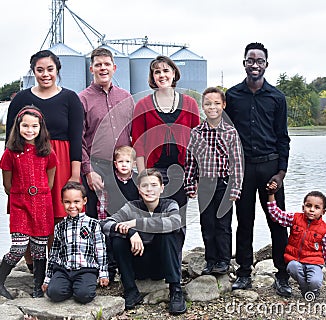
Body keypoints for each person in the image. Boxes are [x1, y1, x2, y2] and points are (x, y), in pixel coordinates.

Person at [5, 50, 84, 268]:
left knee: (59, 212)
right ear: (33, 72)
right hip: (27, 162)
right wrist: (10, 175)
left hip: (61, 159)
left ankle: (58, 263)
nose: (45, 74)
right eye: (40, 70)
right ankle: (34, 266)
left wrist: (75, 173)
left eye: (50, 69)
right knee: (29, 210)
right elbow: (9, 140)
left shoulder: (70, 98)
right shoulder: (21, 98)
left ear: (57, 70)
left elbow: (77, 138)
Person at [225, 42, 292, 296]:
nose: (255, 65)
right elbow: (226, 133)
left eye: (259, 61)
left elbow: (283, 138)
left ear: (266, 64)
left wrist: (281, 173)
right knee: (244, 221)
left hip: (270, 167)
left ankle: (282, 274)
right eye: (250, 60)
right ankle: (243, 272)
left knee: (277, 221)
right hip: (242, 169)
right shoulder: (232, 96)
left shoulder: (277, 97)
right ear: (244, 63)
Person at [132, 55, 200, 240]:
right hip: (154, 171)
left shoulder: (190, 104)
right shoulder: (143, 105)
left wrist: (195, 176)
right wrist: (143, 176)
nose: (161, 75)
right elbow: (138, 143)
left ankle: (175, 264)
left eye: (165, 71)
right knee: (153, 220)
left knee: (178, 220)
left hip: (181, 172)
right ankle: (154, 265)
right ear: (152, 77)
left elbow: (197, 143)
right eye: (157, 72)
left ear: (174, 74)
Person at [100, 169, 186, 315]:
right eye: (145, 185)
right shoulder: (131, 207)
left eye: (154, 185)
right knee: (117, 237)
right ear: (139, 189)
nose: (149, 189)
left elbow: (174, 222)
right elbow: (104, 224)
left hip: (162, 265)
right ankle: (131, 290)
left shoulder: (170, 204)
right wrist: (131, 232)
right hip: (139, 263)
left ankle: (176, 290)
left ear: (162, 188)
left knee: (168, 233)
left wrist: (136, 223)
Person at [0, 106, 58, 300]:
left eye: (34, 126)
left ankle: (38, 287)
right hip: (20, 205)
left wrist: (38, 194)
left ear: (41, 128)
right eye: (25, 126)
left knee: (39, 248)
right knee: (19, 248)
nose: (30, 130)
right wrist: (22, 195)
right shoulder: (11, 153)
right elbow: (7, 184)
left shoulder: (47, 152)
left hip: (42, 205)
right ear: (18, 126)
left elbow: (50, 181)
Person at [184, 87, 244, 275]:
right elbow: (190, 160)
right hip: (204, 184)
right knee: (207, 223)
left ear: (223, 105)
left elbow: (237, 162)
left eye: (217, 103)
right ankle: (210, 259)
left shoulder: (230, 132)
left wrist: (235, 189)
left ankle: (224, 260)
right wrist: (189, 183)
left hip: (224, 185)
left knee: (223, 224)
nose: (212, 107)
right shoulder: (197, 132)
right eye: (208, 104)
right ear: (203, 107)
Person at [79, 47, 134, 220]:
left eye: (107, 64)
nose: (103, 68)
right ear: (91, 69)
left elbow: (135, 133)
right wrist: (88, 172)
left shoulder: (126, 97)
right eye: (98, 64)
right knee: (94, 218)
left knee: (123, 217)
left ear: (114, 68)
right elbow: (78, 140)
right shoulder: (82, 99)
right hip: (96, 169)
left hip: (123, 167)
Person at [266, 186, 326, 299]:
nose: (311, 210)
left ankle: (312, 289)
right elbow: (276, 215)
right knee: (292, 266)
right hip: (296, 261)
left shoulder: (324, 229)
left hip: (314, 263)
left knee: (315, 281)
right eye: (308, 206)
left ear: (323, 211)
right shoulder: (295, 218)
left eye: (317, 207)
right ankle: (305, 289)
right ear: (303, 207)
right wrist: (271, 195)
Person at [42, 181, 109, 304]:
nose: (72, 206)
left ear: (84, 201)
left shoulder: (93, 224)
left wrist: (103, 273)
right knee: (54, 294)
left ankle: (80, 287)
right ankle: (67, 286)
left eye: (76, 202)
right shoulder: (60, 227)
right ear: (62, 202)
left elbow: (100, 250)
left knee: (84, 295)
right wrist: (47, 279)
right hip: (63, 269)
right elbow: (53, 254)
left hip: (86, 269)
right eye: (67, 202)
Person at [103, 145, 139, 282]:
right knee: (110, 243)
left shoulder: (137, 180)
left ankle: (131, 269)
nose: (124, 165)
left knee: (129, 242)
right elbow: (103, 200)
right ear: (115, 164)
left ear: (134, 164)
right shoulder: (109, 179)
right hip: (113, 217)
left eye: (127, 162)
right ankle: (111, 270)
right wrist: (105, 218)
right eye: (120, 162)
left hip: (131, 219)